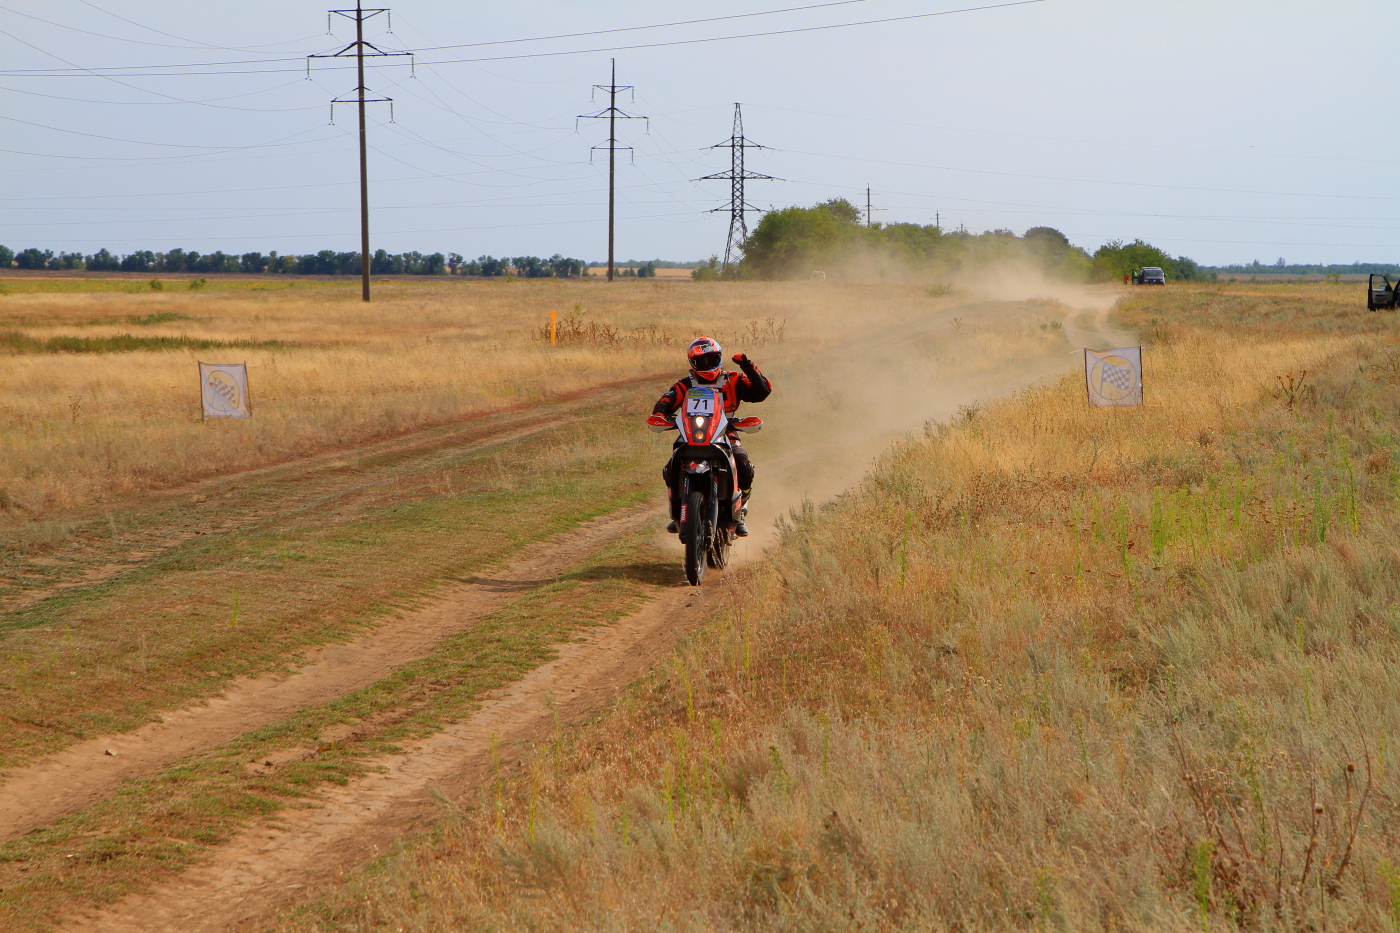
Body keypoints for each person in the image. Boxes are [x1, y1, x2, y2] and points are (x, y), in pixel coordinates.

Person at [647, 336, 772, 537]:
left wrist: (747, 365)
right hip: (690, 434)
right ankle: (680, 514)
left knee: (742, 462)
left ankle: (740, 509)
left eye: (712, 359)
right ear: (692, 364)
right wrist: (659, 415)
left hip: (726, 432)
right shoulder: (685, 384)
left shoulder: (733, 379)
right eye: (701, 362)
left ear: (720, 358)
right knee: (671, 468)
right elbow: (666, 401)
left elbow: (761, 391)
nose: (707, 365)